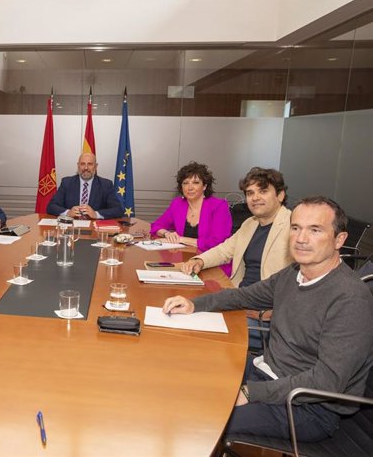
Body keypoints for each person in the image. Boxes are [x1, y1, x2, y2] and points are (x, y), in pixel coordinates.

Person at [163, 197, 373, 442]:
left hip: (307, 406)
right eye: (296, 228)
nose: (301, 239)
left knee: (202, 421)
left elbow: (327, 382)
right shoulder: (293, 274)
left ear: (340, 240)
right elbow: (244, 295)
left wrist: (252, 392)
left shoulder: (350, 299)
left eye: (315, 230)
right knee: (182, 370)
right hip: (266, 373)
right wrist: (194, 304)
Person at [179, 167, 293, 350]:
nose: (255, 198)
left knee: (196, 338)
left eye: (263, 191)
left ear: (280, 195)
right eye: (250, 193)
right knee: (185, 316)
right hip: (240, 300)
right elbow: (225, 250)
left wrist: (272, 310)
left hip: (264, 317)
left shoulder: (294, 227)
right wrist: (199, 260)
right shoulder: (251, 223)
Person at [150, 161, 232, 275]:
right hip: (184, 262)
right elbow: (156, 225)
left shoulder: (219, 206)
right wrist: (167, 234)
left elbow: (219, 243)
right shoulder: (178, 204)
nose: (190, 187)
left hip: (211, 264)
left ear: (204, 186)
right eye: (185, 183)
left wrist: (181, 239)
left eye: (195, 182)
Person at [47, 152, 124, 219]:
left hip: (94, 229)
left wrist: (96, 214)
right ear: (78, 165)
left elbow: (118, 210)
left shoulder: (106, 185)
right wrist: (68, 213)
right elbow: (51, 206)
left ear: (96, 166)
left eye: (90, 164)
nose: (86, 168)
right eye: (82, 164)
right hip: (72, 227)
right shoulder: (67, 183)